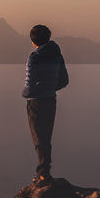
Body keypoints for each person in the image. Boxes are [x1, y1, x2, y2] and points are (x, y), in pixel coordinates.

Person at [22, 24, 69, 185]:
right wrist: (50, 88)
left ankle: (43, 175)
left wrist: (25, 94)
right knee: (46, 137)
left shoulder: (34, 57)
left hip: (36, 102)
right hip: (50, 100)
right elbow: (64, 80)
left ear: (33, 40)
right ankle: (45, 171)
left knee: (39, 138)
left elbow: (30, 84)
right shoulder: (57, 55)